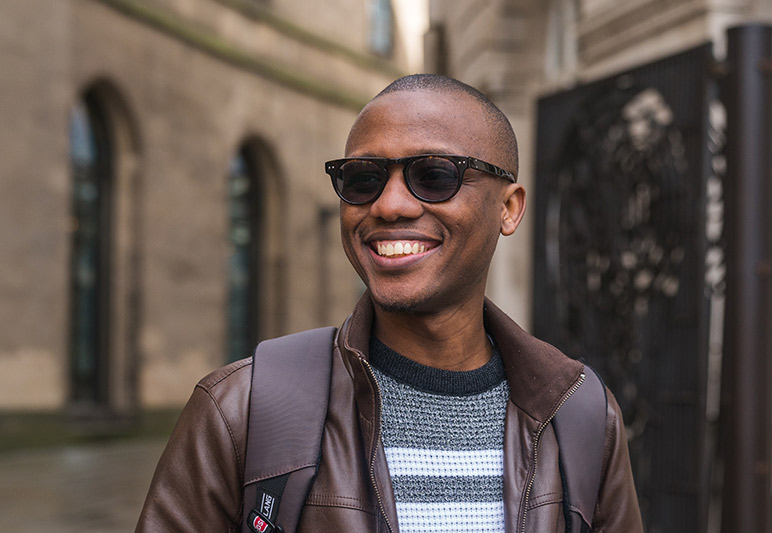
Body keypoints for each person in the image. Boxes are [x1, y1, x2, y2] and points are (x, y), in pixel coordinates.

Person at [137, 74, 642, 532]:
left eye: (435, 175)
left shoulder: (582, 416)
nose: (389, 204)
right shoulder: (238, 410)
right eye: (362, 179)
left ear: (508, 209)